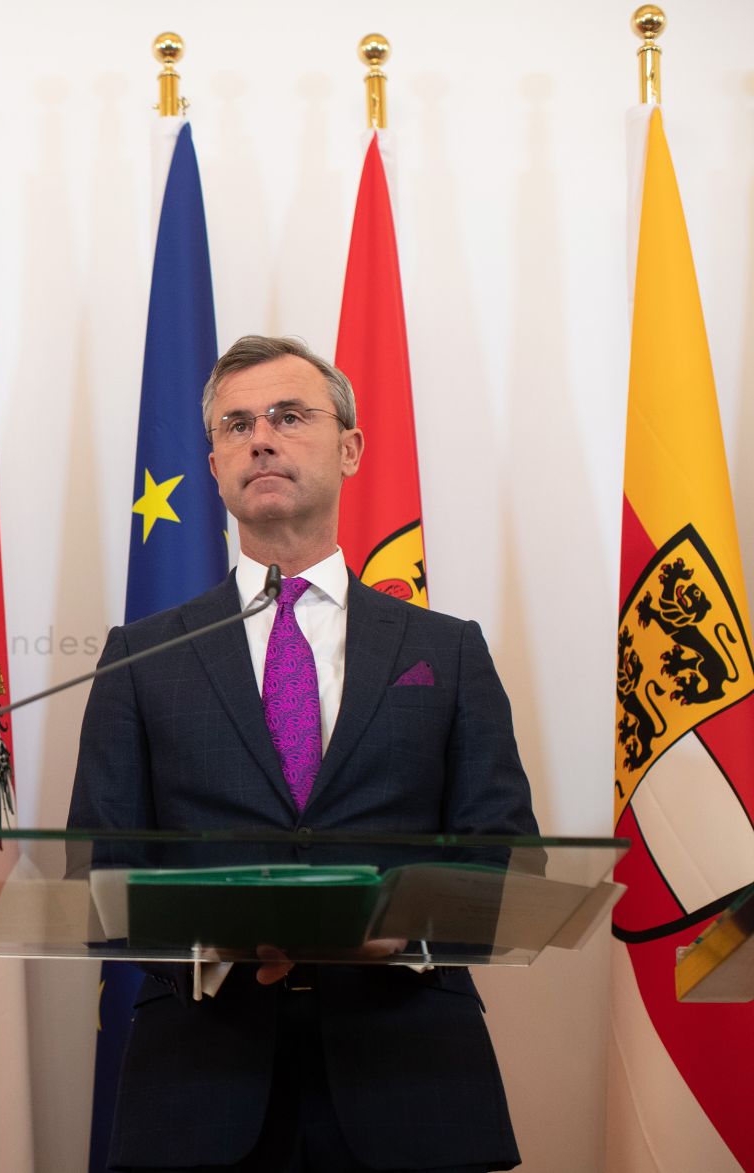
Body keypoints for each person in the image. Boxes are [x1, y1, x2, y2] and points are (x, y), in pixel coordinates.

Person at [69, 335, 539, 1172]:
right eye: (236, 424)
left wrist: (395, 935)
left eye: (289, 416)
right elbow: (101, 873)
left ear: (350, 448)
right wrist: (213, 948)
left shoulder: (449, 649)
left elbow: (504, 857)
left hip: (411, 1083)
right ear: (213, 462)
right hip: (200, 1088)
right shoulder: (139, 656)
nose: (261, 438)